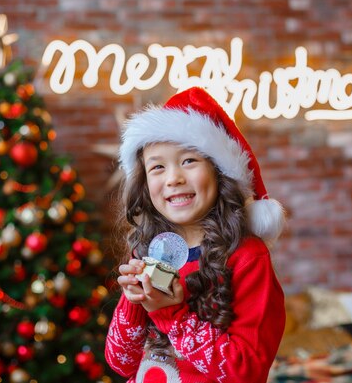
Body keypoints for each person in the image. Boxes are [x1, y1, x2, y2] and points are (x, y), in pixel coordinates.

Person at [105, 87, 286, 383]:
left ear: (219, 173)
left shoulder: (247, 258)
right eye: (158, 167)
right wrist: (134, 300)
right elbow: (120, 362)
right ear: (145, 183)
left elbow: (246, 373)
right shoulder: (148, 252)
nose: (174, 178)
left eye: (189, 160)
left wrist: (171, 315)